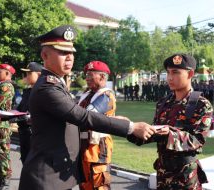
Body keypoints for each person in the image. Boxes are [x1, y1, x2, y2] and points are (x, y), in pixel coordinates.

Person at [18, 25, 157, 190]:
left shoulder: (55, 84)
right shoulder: (47, 87)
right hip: (47, 178)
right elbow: (82, 116)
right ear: (45, 55)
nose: (69, 57)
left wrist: (112, 120)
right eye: (63, 52)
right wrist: (131, 127)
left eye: (71, 53)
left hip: (55, 173)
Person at [128, 54, 213, 190]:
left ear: (190, 74)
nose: (169, 77)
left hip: (185, 178)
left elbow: (197, 140)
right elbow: (154, 133)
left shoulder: (201, 104)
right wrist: (130, 128)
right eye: (168, 72)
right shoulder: (163, 103)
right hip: (163, 175)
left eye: (175, 72)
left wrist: (170, 134)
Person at [78, 61, 115, 190]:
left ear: (102, 77)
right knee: (85, 183)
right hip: (84, 145)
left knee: (98, 183)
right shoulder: (87, 94)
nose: (87, 78)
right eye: (86, 75)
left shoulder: (106, 95)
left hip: (98, 147)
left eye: (90, 75)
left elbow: (87, 116)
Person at [0, 63, 16, 190]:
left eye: (0, 72)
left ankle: (5, 182)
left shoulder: (6, 86)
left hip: (1, 126)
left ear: (7, 73)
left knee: (2, 153)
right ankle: (1, 181)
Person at [16, 62, 43, 164]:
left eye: (29, 73)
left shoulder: (43, 91)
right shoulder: (27, 91)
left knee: (34, 164)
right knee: (25, 160)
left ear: (39, 74)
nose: (26, 76)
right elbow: (20, 109)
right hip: (24, 132)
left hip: (34, 134)